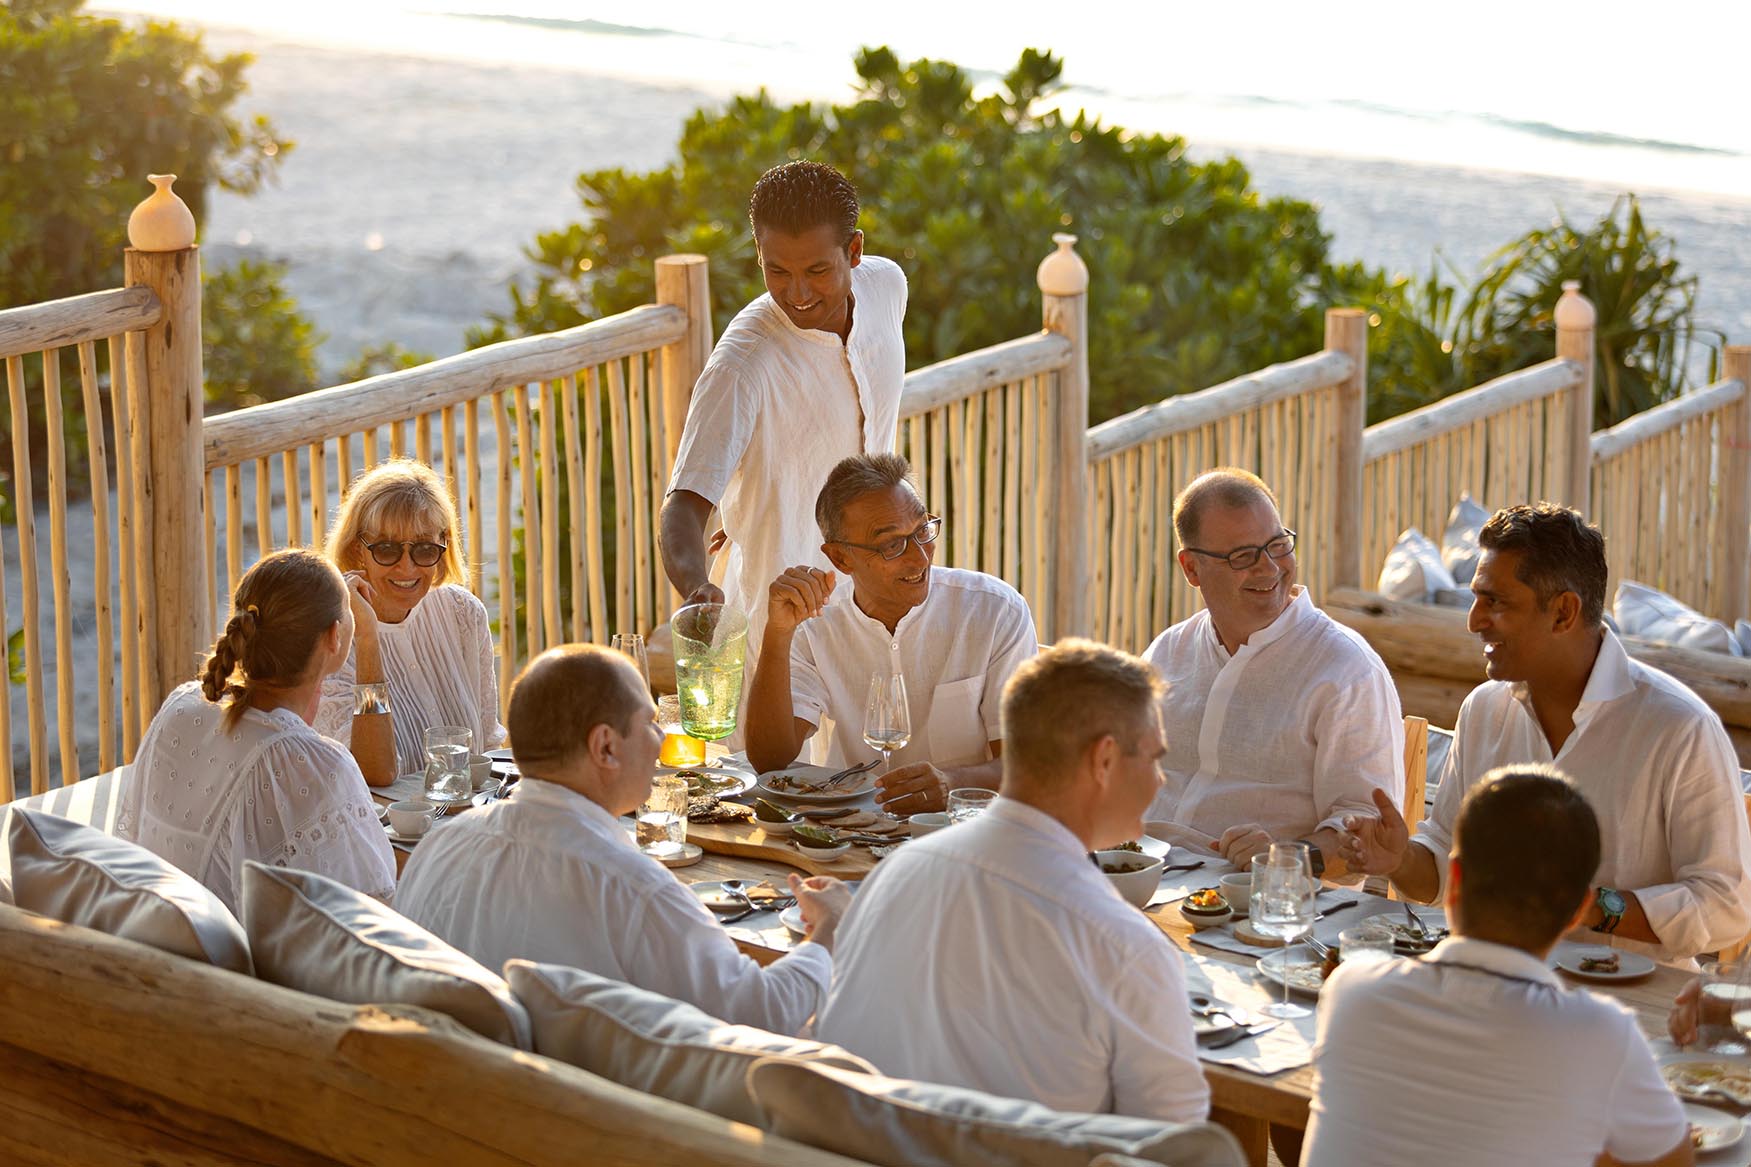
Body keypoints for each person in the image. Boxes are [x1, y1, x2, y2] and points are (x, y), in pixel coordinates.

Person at [814, 640, 1210, 1122]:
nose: (1161, 781)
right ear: (1104, 761)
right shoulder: (1123, 946)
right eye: (1154, 758)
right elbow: (1175, 1145)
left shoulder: (894, 875)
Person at [1341, 502, 1751, 964]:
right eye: (1476, 597)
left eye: (1494, 601)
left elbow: (1726, 907)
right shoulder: (1484, 709)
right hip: (1494, 988)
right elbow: (1439, 871)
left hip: (1630, 1013)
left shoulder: (1680, 728)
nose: (1473, 620)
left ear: (1563, 612)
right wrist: (1398, 860)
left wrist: (1591, 907)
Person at [395, 644, 850, 1035]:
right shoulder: (632, 889)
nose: (660, 743)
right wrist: (828, 932)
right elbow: (763, 1014)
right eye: (651, 723)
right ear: (606, 747)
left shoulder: (439, 845)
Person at [1305, 766, 1692, 1167]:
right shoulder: (1603, 1035)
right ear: (1579, 910)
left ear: (1453, 880)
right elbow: (1674, 1161)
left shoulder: (1351, 989)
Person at [659, 160, 907, 664]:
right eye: (777, 271)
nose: (797, 293)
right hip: (778, 627)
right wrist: (696, 588)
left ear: (854, 251)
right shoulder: (741, 366)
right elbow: (683, 505)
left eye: (816, 271)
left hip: (876, 600)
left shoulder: (888, 287)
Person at [743, 453, 1036, 813]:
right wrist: (777, 633)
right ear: (840, 559)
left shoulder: (994, 611)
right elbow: (769, 759)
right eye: (891, 545)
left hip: (961, 830)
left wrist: (953, 782)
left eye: (922, 531)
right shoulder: (815, 623)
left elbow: (1027, 765)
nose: (920, 558)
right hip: (850, 831)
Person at [1143, 468, 1402, 872]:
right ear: (1191, 568)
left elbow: (1363, 821)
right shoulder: (1169, 650)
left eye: (1278, 545)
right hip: (1136, 873)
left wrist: (1286, 856)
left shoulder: (1346, 669)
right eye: (1242, 556)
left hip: (1256, 900)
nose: (1269, 568)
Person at [118, 549, 396, 915]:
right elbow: (375, 905)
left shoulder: (184, 705)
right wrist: (370, 642)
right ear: (334, 635)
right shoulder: (306, 763)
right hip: (234, 966)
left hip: (160, 936)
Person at [315, 458, 504, 785]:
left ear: (443, 545)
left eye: (424, 548)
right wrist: (368, 642)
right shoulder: (330, 638)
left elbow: (488, 745)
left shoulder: (464, 615)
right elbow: (373, 773)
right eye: (387, 549)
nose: (407, 567)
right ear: (359, 549)